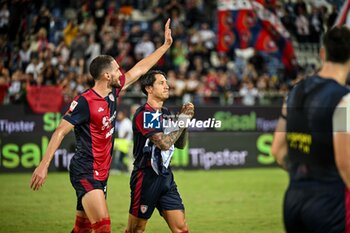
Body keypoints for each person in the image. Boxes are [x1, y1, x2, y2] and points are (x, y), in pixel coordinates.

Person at [29, 19, 173, 233]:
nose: (120, 72)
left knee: (83, 228)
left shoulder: (113, 92)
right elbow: (60, 130)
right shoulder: (85, 101)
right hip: (86, 170)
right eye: (116, 69)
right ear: (107, 76)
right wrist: (44, 164)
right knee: (103, 227)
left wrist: (165, 45)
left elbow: (140, 69)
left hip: (101, 173)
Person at [271, 26, 350, 233]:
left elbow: (277, 152)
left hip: (293, 200)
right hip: (329, 203)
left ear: (322, 53)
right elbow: (345, 163)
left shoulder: (294, 93)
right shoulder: (345, 100)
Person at [125, 70, 194, 233]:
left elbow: (179, 144)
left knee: (181, 228)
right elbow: (163, 143)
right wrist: (181, 123)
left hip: (165, 177)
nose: (167, 86)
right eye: (161, 83)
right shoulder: (145, 114)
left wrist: (184, 122)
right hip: (146, 177)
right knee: (136, 229)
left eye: (166, 82)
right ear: (149, 88)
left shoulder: (165, 113)